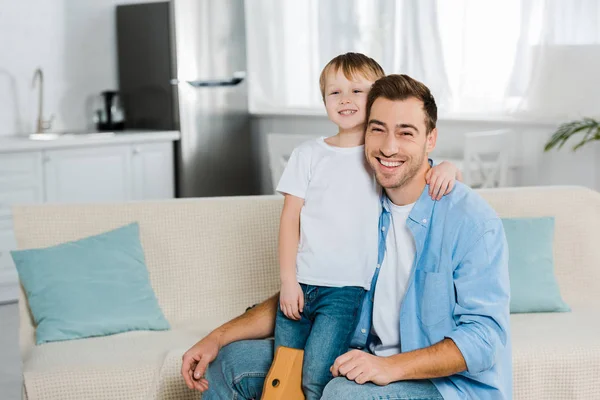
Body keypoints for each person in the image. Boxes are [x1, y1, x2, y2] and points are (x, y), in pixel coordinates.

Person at [181, 73, 511, 400]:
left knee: (343, 394)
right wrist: (217, 337)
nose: (389, 146)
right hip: (361, 356)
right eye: (377, 129)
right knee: (229, 363)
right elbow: (312, 290)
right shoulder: (361, 202)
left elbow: (484, 339)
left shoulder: (471, 220)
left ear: (431, 139)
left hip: (446, 386)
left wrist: (391, 367)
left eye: (405, 133)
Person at [272, 53, 460, 399]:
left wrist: (448, 167)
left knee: (316, 377)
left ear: (375, 100)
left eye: (357, 91)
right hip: (301, 282)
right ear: (324, 100)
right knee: (282, 373)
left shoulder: (379, 156)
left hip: (345, 291)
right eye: (335, 92)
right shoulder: (308, 155)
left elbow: (417, 170)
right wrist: (287, 281)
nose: (345, 100)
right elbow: (289, 220)